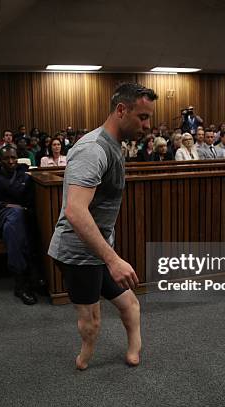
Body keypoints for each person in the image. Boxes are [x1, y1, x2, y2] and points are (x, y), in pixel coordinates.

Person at [48, 82, 156, 370]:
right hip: (78, 253)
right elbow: (75, 211)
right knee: (91, 322)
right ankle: (83, 358)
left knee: (130, 304)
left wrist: (109, 254)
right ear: (121, 110)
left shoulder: (114, 146)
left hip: (100, 250)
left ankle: (134, 348)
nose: (147, 125)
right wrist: (113, 260)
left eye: (149, 118)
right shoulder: (92, 149)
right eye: (143, 117)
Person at [0, 146, 40, 305]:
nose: (11, 161)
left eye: (13, 158)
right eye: (6, 158)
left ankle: (27, 278)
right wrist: (5, 205)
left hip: (17, 224)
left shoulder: (25, 176)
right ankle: (24, 280)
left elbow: (31, 204)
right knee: (16, 217)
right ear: (0, 160)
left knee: (19, 224)